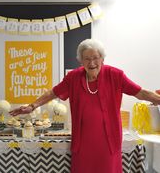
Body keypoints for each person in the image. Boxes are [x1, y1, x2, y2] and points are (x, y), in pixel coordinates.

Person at [9, 39, 160, 173]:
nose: (92, 63)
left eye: (95, 58)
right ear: (81, 60)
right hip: (83, 142)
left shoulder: (115, 75)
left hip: (108, 142)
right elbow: (53, 92)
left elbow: (140, 92)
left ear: (102, 59)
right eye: (87, 58)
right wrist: (32, 106)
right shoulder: (73, 77)